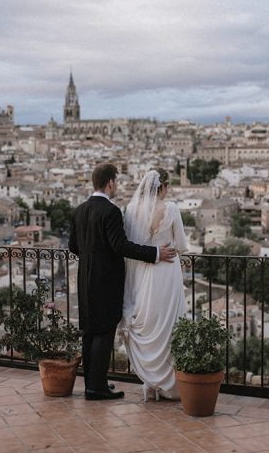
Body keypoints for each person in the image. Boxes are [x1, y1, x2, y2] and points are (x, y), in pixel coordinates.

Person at [69, 163, 177, 400]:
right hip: (106, 282)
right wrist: (156, 254)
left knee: (89, 333)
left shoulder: (78, 211)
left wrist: (92, 260)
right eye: (116, 181)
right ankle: (95, 389)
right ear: (110, 183)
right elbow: (121, 246)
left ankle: (92, 383)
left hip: (84, 280)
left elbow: (73, 247)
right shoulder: (110, 212)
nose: (116, 186)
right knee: (104, 333)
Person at [120, 168, 189, 401]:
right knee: (169, 325)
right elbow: (181, 244)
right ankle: (169, 385)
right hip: (167, 272)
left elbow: (130, 245)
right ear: (162, 187)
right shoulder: (170, 209)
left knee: (148, 321)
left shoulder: (131, 210)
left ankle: (149, 382)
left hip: (142, 273)